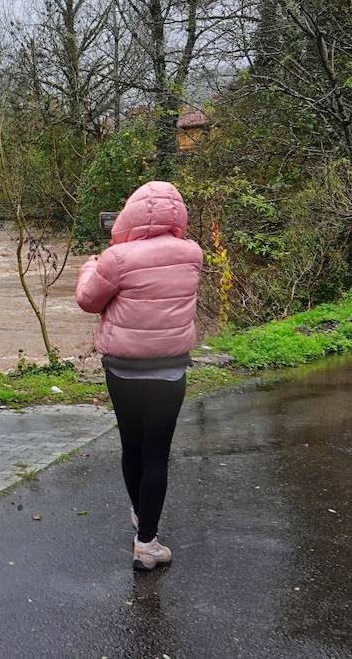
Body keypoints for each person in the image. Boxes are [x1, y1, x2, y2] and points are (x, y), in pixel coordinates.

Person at [75, 180, 202, 571]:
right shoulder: (192, 253)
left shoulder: (117, 258)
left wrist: (89, 267)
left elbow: (87, 301)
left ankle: (141, 521)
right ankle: (147, 540)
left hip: (123, 370)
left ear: (129, 211)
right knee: (156, 456)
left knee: (132, 446)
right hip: (170, 371)